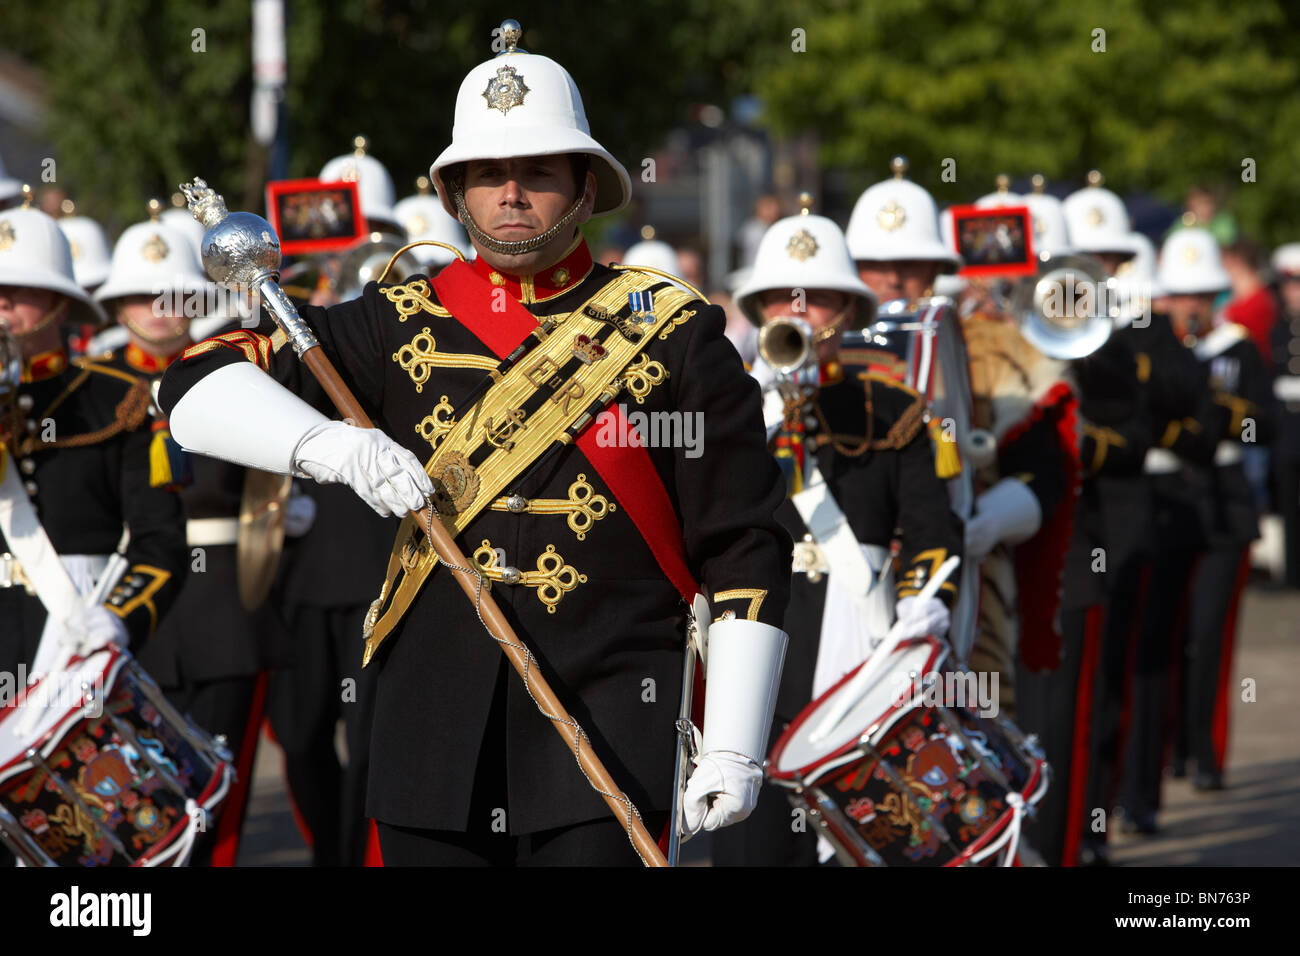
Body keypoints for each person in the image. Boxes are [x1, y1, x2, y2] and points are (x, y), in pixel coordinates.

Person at [160, 21, 792, 866]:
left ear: (582, 187)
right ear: (457, 192)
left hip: (612, 725)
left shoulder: (672, 332)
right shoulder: (394, 320)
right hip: (433, 732)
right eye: (488, 174)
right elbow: (193, 387)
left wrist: (735, 743)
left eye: (537, 172)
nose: (512, 193)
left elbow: (745, 542)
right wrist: (330, 447)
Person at [711, 195, 962, 866]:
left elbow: (934, 529)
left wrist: (919, 607)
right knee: (752, 834)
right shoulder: (725, 407)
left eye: (819, 299)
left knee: (858, 835)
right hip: (756, 631)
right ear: (761, 309)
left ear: (848, 312)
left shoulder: (890, 407)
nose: (800, 313)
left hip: (858, 639)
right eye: (782, 299)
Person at [0, 192, 188, 865]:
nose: (2, 302)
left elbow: (162, 541)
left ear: (57, 302)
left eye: (18, 288)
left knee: (84, 852)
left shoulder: (118, 397)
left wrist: (118, 620)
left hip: (75, 644)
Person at [1118, 229, 1272, 831]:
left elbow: (1262, 427)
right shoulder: (1149, 346)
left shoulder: (1238, 348)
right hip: (1164, 500)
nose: (1189, 305)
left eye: (1199, 294)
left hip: (1222, 503)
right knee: (1158, 639)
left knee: (1207, 637)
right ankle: (1158, 757)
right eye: (1177, 294)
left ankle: (1202, 753)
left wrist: (1213, 414)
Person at [1269, 243, 1300, 588]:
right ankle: (1291, 573)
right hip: (1286, 425)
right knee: (1286, 501)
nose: (1295, 292)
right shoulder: (1277, 329)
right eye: (1290, 285)